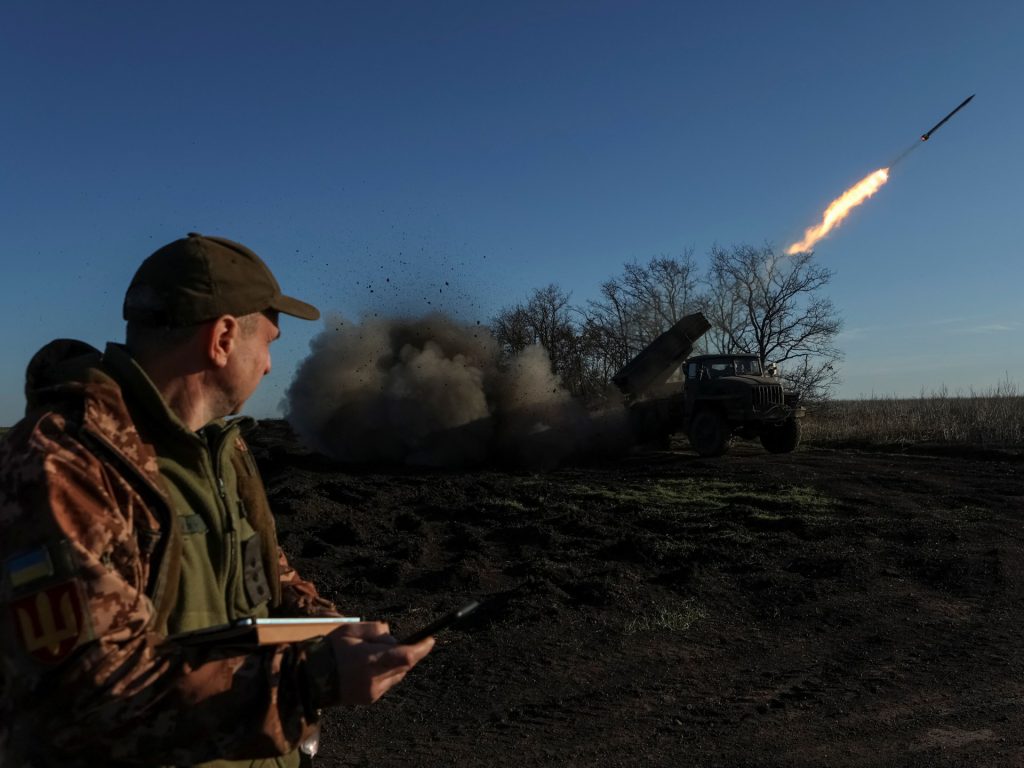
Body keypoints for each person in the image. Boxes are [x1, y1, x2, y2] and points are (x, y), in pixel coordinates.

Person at [0, 233, 434, 768]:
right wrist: (311, 682)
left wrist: (332, 628)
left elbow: (267, 577)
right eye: (269, 342)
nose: (270, 366)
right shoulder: (65, 464)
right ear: (224, 337)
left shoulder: (220, 449)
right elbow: (89, 699)